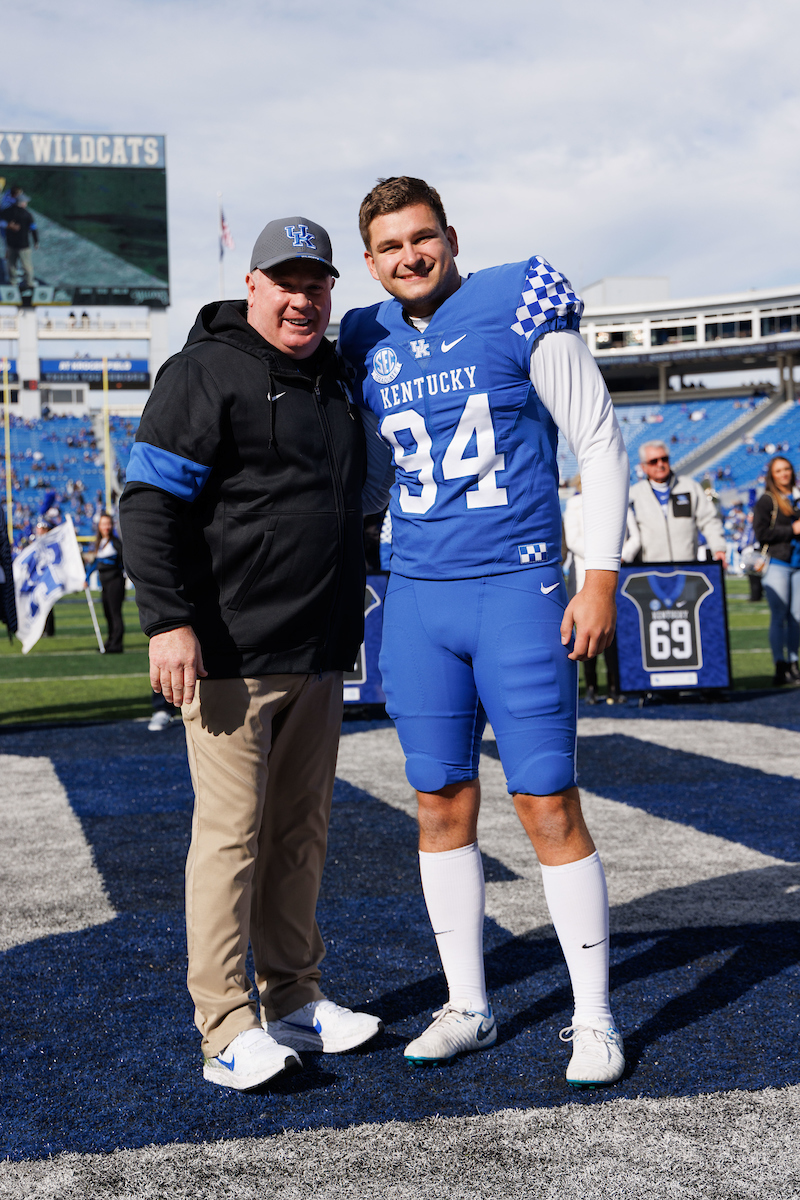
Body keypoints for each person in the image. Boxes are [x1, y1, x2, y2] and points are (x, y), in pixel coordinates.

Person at [338, 176, 629, 1088]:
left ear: (450, 236)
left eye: (421, 239)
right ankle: (469, 1003)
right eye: (388, 247)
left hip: (519, 586)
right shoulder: (364, 337)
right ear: (370, 260)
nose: (408, 257)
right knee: (439, 803)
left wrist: (600, 577)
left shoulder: (515, 300)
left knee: (546, 802)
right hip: (420, 598)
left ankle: (593, 1017)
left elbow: (598, 437)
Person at [119, 216, 388, 1093]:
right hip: (231, 651)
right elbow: (149, 505)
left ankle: (295, 997)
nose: (302, 297)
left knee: (300, 834)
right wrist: (167, 620)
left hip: (317, 650)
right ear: (253, 284)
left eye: (317, 283)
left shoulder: (336, 382)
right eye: (286, 280)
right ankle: (226, 1025)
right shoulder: (203, 371)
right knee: (232, 839)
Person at [564, 478, 638, 704]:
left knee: (614, 635)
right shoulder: (573, 507)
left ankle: (616, 687)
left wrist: (622, 555)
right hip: (585, 576)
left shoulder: (619, 501)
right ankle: (591, 688)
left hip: (618, 574)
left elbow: (635, 536)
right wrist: (605, 559)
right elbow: (573, 540)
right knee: (587, 633)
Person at [627, 441, 727, 563]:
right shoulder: (634, 495)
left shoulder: (690, 487)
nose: (660, 464)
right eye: (654, 461)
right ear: (644, 467)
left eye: (664, 459)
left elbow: (709, 520)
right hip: (650, 571)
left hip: (687, 568)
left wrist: (718, 548)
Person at [753, 456, 800, 686]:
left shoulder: (798, 496)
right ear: (772, 475)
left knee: (797, 618)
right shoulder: (767, 500)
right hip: (778, 562)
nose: (784, 474)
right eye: (779, 470)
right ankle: (780, 665)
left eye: (787, 469)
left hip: (798, 562)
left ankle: (794, 662)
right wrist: (791, 529)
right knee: (779, 616)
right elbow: (761, 534)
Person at [86, 512, 125, 653]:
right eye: (103, 524)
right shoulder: (100, 543)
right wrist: (86, 578)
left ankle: (117, 644)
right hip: (105, 584)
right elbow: (96, 563)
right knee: (107, 613)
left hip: (115, 582)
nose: (106, 527)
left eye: (108, 524)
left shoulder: (116, 543)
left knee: (115, 613)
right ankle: (109, 641)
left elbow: (123, 562)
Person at [4, 195, 38, 291]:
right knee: (27, 265)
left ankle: (13, 282)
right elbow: (33, 228)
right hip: (23, 244)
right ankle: (29, 282)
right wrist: (36, 241)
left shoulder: (8, 212)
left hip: (11, 243)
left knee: (11, 264)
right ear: (22, 203)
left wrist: (8, 226)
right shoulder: (27, 214)